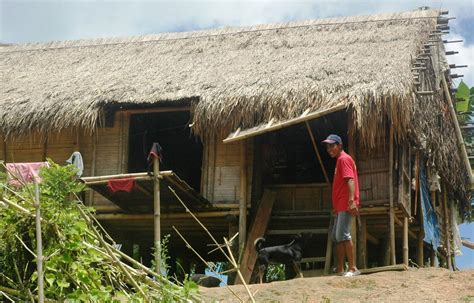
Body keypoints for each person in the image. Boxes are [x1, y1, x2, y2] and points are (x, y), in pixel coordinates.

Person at [322, 134, 360, 277]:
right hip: (340, 205)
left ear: (339, 145)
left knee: (343, 235)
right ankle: (340, 269)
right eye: (327, 146)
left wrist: (351, 201)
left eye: (332, 146)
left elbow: (350, 180)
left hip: (346, 204)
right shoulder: (340, 160)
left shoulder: (344, 159)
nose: (329, 149)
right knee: (337, 236)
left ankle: (353, 268)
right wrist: (336, 206)